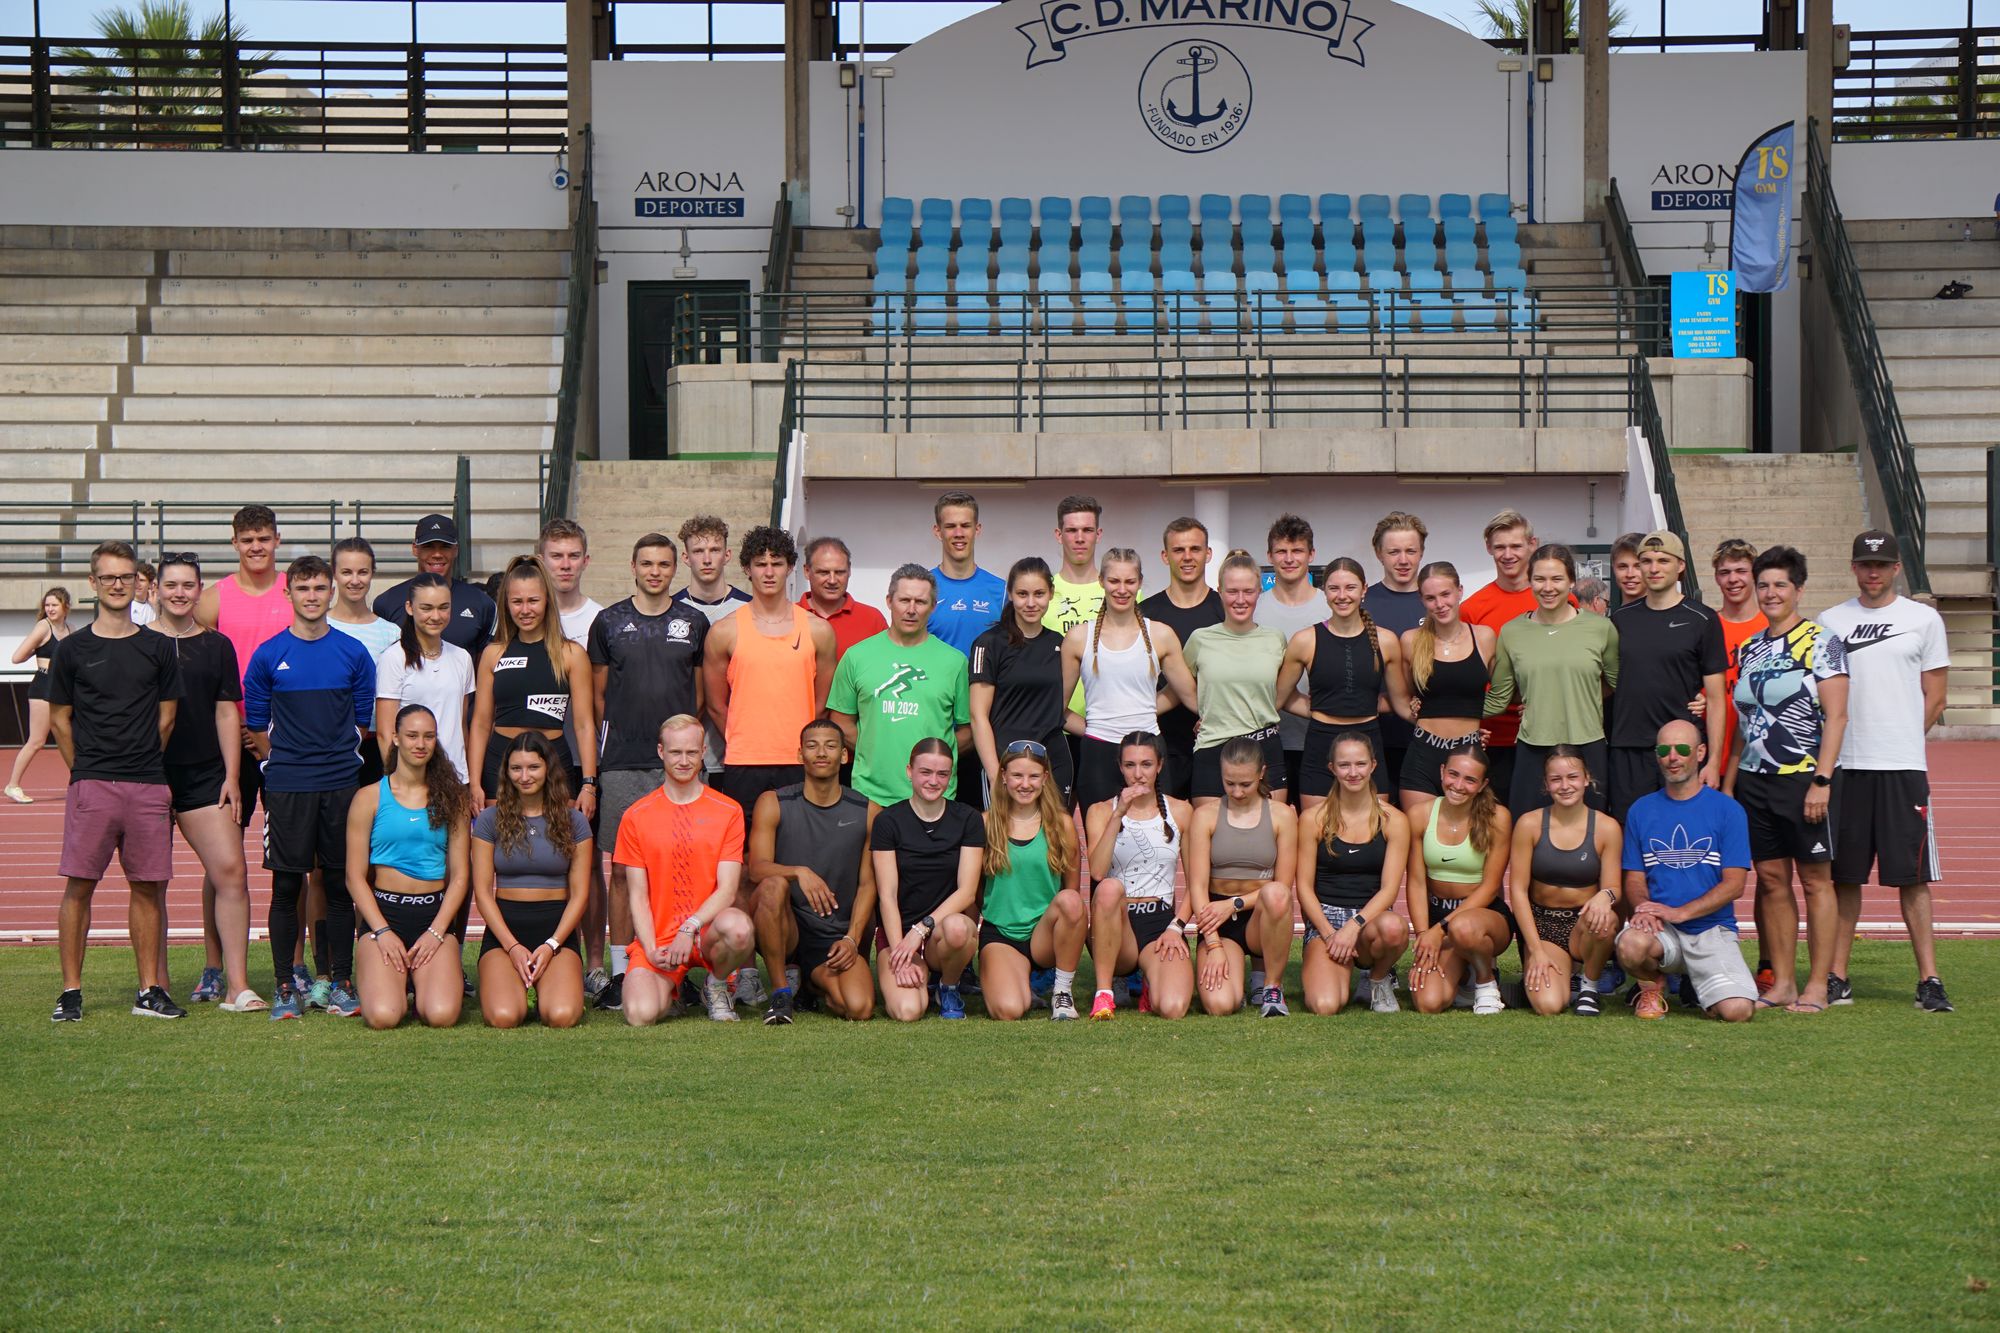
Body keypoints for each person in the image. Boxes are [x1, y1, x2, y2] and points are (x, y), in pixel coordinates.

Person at [1816, 530, 1952, 1012]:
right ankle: (1837, 976)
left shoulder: (1924, 619)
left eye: (1881, 565)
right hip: (1847, 766)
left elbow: (1936, 696)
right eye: (1864, 564)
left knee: (1912, 878)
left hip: (1902, 768)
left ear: (1896, 568)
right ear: (1854, 568)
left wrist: (1902, 739)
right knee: (1844, 877)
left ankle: (1929, 980)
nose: (1872, 572)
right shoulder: (1830, 621)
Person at [48, 541, 183, 1023]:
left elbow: (167, 718)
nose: (118, 584)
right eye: (108, 577)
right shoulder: (72, 649)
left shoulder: (158, 646)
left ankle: (149, 990)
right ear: (93, 583)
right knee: (79, 887)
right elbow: (60, 719)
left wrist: (141, 761)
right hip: (93, 784)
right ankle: (70, 992)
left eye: (126, 576)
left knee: (147, 888)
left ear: (137, 582)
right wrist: (83, 771)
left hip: (147, 784)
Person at [245, 555, 376, 1020]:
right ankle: (285, 985)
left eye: (320, 587)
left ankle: (341, 981)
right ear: (288, 593)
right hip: (287, 787)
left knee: (340, 884)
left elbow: (362, 723)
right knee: (286, 886)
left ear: (331, 592)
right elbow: (255, 726)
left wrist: (330, 757)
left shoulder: (353, 653)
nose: (312, 596)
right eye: (303, 588)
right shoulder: (267, 655)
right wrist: (283, 762)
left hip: (341, 786)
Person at [588, 533, 710, 1011]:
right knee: (622, 871)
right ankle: (623, 969)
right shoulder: (609, 622)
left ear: (675, 568)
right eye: (647, 564)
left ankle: (684, 969)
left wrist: (680, 747)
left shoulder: (693, 622)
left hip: (679, 765)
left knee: (684, 868)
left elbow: (698, 695)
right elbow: (599, 695)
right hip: (623, 762)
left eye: (663, 564)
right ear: (633, 567)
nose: (655, 572)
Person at [1727, 545, 1849, 1014]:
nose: (1771, 593)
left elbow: (1836, 717)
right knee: (1772, 880)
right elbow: (1744, 724)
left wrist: (1822, 779)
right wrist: (1730, 784)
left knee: (1816, 882)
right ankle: (1781, 983)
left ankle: (1818, 985)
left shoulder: (1821, 641)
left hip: (1803, 778)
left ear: (1798, 589)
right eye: (1763, 585)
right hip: (1755, 780)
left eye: (1780, 584)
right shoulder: (1751, 647)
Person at [149, 555, 261, 1013]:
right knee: (151, 882)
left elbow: (225, 712)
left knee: (231, 870)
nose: (179, 593)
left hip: (206, 774)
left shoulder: (217, 645)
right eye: (171, 584)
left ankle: (237, 986)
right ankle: (155, 985)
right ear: (156, 590)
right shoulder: (137, 642)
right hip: (148, 774)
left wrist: (232, 776)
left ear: (200, 591)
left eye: (188, 585)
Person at [613, 715, 757, 1025]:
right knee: (639, 1014)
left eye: (692, 752)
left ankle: (716, 984)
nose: (683, 761)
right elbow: (637, 896)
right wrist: (651, 949)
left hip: (706, 933)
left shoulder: (728, 811)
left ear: (704, 751)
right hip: (661, 939)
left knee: (740, 928)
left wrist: (689, 927)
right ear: (661, 751)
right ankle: (673, 989)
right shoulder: (636, 815)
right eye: (675, 752)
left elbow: (728, 890)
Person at [1615, 720, 1757, 1023]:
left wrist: (1681, 913)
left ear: (1700, 752)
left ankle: (1703, 985)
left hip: (1711, 930)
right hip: (1661, 929)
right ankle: (1653, 985)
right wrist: (1644, 907)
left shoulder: (1728, 810)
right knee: (1630, 946)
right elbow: (1634, 879)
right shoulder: (1641, 810)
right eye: (1663, 750)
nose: (1672, 757)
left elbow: (1734, 885)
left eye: (1681, 749)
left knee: (1737, 1012)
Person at [345, 704, 472, 1029]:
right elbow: (354, 877)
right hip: (385, 917)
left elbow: (460, 877)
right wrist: (382, 931)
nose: (420, 744)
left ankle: (420, 980)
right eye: (412, 736)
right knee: (384, 1015)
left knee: (441, 1015)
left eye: (428, 736)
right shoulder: (369, 798)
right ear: (396, 739)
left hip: (432, 916)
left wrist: (437, 932)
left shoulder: (453, 799)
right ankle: (394, 982)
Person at [747, 719, 877, 1024]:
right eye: (812, 746)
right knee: (773, 885)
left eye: (830, 746)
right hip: (786, 927)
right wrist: (799, 871)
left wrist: (852, 939)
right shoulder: (774, 802)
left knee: (859, 1008)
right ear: (799, 754)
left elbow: (868, 884)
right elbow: (756, 869)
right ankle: (781, 993)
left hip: (832, 932)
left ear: (843, 755)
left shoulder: (868, 811)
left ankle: (811, 984)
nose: (821, 753)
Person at [704, 525, 837, 819]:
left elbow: (822, 702)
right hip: (743, 760)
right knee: (745, 843)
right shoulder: (724, 631)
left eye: (776, 563)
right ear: (746, 568)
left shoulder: (818, 630)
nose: (768, 572)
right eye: (760, 564)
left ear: (789, 568)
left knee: (797, 841)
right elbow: (715, 705)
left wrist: (799, 741)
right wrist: (745, 739)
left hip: (798, 759)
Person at [1483, 543, 1618, 815]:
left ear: (1571, 581)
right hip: (1534, 747)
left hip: (1587, 744)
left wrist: (1581, 697)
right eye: (1539, 579)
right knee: (1526, 828)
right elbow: (1499, 698)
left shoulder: (1601, 628)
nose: (1548, 587)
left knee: (1591, 830)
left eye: (1557, 579)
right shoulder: (1512, 632)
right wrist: (1443, 712)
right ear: (1529, 581)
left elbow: (1616, 684)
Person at [471, 732, 592, 1029]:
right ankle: (513, 985)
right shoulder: (489, 819)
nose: (524, 777)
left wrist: (551, 944)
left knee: (561, 1016)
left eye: (533, 767)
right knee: (504, 1016)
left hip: (556, 932)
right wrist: (512, 946)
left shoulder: (574, 821)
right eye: (516, 768)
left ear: (548, 768)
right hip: (505, 932)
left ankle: (550, 987)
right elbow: (483, 892)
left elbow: (580, 895)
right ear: (506, 772)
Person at [1060, 549, 1197, 813]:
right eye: (1114, 581)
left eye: (1130, 581)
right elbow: (1058, 708)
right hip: (1098, 754)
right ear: (1101, 581)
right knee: (1101, 835)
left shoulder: (1161, 634)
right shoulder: (1078, 637)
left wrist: (1145, 710)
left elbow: (1188, 695)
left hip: (1148, 750)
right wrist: (1095, 729)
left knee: (1157, 833)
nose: (1122, 589)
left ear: (1140, 582)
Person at [1605, 532, 1727, 821]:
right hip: (1628, 748)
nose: (1654, 568)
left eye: (1663, 561)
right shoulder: (1620, 619)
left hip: (1679, 749)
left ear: (1680, 566)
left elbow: (1716, 699)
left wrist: (1713, 762)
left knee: (1683, 833)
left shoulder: (1702, 619)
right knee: (1631, 833)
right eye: (1646, 561)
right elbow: (1603, 683)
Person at [828, 565, 972, 807]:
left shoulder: (955, 662)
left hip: (934, 796)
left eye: (921, 602)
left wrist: (935, 760)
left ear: (933, 606)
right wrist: (875, 750)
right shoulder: (856, 656)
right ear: (889, 601)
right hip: (871, 794)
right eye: (904, 600)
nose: (911, 610)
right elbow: (841, 723)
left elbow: (969, 731)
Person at [1275, 556, 1410, 807]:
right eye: (1334, 588)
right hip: (1321, 743)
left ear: (1364, 590)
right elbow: (1280, 698)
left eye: (1350, 587)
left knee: (1373, 825)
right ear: (1324, 592)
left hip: (1368, 742)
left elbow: (1400, 702)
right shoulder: (1305, 640)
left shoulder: (1386, 641)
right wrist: (1320, 708)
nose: (1342, 595)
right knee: (1315, 826)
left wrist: (1445, 727)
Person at [468, 556, 597, 813]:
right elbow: (481, 724)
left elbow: (584, 725)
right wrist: (474, 782)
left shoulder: (571, 654)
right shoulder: (493, 654)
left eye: (533, 601)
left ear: (547, 600)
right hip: (501, 761)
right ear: (506, 604)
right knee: (502, 836)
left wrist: (589, 784)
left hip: (554, 760)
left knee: (559, 836)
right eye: (517, 602)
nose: (525, 610)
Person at [1295, 733, 1412, 1016]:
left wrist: (1353, 926)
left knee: (1394, 928)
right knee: (1325, 1005)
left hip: (1370, 920)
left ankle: (1378, 977)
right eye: (1344, 765)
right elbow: (1304, 887)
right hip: (1326, 920)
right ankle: (1340, 967)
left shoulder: (1394, 820)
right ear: (1332, 768)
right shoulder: (1313, 818)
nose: (1353, 772)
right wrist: (1329, 934)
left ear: (1373, 765)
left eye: (1360, 764)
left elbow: (1389, 890)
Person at [1083, 732, 1195, 1020]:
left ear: (1159, 766)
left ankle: (1150, 982)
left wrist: (1177, 927)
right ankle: (1104, 992)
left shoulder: (1181, 810)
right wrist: (1118, 813)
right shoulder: (1100, 811)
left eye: (1146, 765)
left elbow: (1197, 883)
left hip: (1159, 922)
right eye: (1130, 765)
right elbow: (1097, 871)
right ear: (1120, 767)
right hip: (1116, 923)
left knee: (1172, 1007)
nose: (1138, 774)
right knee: (1109, 888)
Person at [1186, 736, 1300, 1016]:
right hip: (1218, 919)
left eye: (1245, 784)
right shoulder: (1205, 815)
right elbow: (1197, 887)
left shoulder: (1282, 816)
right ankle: (1238, 977)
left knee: (1276, 894)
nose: (1237, 792)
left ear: (1261, 774)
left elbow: (1283, 885)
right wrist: (1213, 944)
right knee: (1220, 1005)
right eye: (1229, 783)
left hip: (1261, 915)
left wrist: (1234, 904)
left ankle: (1272, 986)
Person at [871, 738, 984, 1021]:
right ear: (909, 771)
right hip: (898, 933)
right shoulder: (887, 821)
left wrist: (921, 930)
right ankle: (919, 977)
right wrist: (901, 952)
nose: (934, 781)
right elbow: (887, 895)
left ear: (951, 776)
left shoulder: (968, 819)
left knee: (959, 927)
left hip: (941, 933)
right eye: (925, 772)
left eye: (942, 774)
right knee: (907, 1011)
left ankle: (948, 985)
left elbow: (967, 892)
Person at [195, 504, 289, 836]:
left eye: (263, 539)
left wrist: (269, 728)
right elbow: (202, 673)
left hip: (286, 735)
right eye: (247, 540)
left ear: (277, 540)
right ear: (234, 542)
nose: (256, 547)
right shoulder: (213, 599)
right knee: (226, 842)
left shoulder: (296, 592)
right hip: (232, 738)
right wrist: (234, 725)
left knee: (292, 846)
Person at [1508, 747, 1623, 1016]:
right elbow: (1518, 891)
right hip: (1544, 925)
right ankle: (1555, 978)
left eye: (1572, 777)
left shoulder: (1606, 827)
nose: (1565, 786)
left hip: (1584, 925)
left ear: (1586, 778)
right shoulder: (1529, 824)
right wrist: (1536, 950)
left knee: (1606, 918)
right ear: (1546, 784)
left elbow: (1614, 888)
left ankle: (1589, 987)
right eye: (1556, 779)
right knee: (1548, 1005)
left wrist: (1604, 896)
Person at [977, 739, 1086, 1021]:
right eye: (1017, 775)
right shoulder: (985, 824)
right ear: (1003, 776)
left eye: (1033, 776)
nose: (1025, 784)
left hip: (1044, 935)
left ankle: (1062, 992)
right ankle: (1019, 981)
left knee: (1071, 901)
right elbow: (974, 891)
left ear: (1045, 778)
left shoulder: (1061, 824)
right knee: (1009, 1009)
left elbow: (1072, 891)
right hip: (1001, 933)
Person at [1404, 740, 1514, 1016]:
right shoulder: (1419, 814)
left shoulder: (1497, 818)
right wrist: (1423, 935)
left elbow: (1491, 887)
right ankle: (1464, 978)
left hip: (1483, 917)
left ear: (1483, 784)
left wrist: (1439, 930)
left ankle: (1486, 982)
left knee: (1463, 927)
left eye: (1470, 780)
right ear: (1442, 771)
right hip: (1437, 916)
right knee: (1428, 1003)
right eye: (1453, 774)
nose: (1458, 785)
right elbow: (1416, 882)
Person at [1710, 536, 1771, 983]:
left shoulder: (1772, 625)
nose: (1733, 579)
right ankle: (1704, 958)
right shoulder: (1706, 624)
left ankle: (1769, 962)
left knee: (1770, 872)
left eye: (1741, 571)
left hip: (1762, 761)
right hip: (1713, 763)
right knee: (1708, 868)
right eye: (1725, 572)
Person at [1184, 550, 1289, 807]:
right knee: (1208, 829)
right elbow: (1181, 688)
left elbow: (1282, 694)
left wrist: (1331, 714)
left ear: (1259, 592)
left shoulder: (1275, 639)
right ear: (1219, 591)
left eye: (1248, 591)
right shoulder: (1200, 639)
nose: (1240, 600)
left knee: (1271, 829)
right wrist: (1207, 711)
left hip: (1264, 747)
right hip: (1213, 748)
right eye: (1232, 591)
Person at [970, 557, 1073, 806]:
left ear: (1051, 594)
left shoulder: (1059, 643)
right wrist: (995, 775)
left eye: (1039, 594)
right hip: (1007, 764)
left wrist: (1108, 730)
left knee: (1057, 831)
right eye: (1022, 594)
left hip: (1053, 763)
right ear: (1010, 594)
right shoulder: (988, 643)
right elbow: (978, 716)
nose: (1030, 603)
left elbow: (1057, 709)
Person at [1396, 561, 1497, 807]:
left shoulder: (1484, 637)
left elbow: (1501, 694)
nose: (1439, 604)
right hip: (1423, 753)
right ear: (1421, 600)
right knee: (1419, 828)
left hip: (1468, 756)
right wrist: (1421, 718)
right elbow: (1403, 698)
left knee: (1467, 830)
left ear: (1459, 591)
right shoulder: (1410, 640)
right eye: (1430, 598)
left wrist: (1471, 725)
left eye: (1445, 594)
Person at [1459, 509, 1542, 800]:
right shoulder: (1472, 609)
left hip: (1543, 734)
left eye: (1516, 546)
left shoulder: (1557, 600)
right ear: (1488, 548)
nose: (1508, 555)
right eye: (1500, 547)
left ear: (1532, 544)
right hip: (1490, 737)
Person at [1139, 516, 1223, 801]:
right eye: (1178, 550)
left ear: (1208, 554)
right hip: (1160, 743)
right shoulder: (1145, 614)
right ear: (1165, 556)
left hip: (1215, 741)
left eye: (1195, 549)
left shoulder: (1225, 611)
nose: (1187, 557)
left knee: (1210, 826)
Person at [674, 514, 752, 779]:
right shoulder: (670, 611)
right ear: (686, 558)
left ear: (727, 555)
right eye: (698, 551)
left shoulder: (749, 609)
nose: (707, 559)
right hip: (683, 754)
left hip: (735, 752)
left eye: (715, 550)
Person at [1255, 513, 1321, 800]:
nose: (1289, 559)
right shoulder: (1253, 609)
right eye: (1281, 551)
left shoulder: (1331, 607)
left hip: (1320, 739)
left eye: (1297, 550)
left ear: (1311, 554)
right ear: (1269, 555)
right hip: (1267, 741)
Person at [328, 538, 402, 786]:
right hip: (331, 743)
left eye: (362, 572)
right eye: (346, 572)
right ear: (334, 574)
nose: (355, 580)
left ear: (372, 574)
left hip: (376, 743)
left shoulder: (391, 633)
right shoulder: (320, 626)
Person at [370, 513, 496, 657]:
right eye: (428, 546)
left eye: (445, 546)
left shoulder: (482, 603)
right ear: (415, 549)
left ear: (456, 550)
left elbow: (486, 663)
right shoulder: (386, 603)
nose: (437, 554)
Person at [1365, 511, 1429, 785]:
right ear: (1379, 553)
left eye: (1411, 551)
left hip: (1427, 737)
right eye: (1394, 552)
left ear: (1421, 552)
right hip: (1373, 740)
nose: (1403, 560)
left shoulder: (1438, 603)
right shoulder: (1362, 605)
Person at [6, 585, 71, 804]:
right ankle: (13, 785)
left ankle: (80, 782)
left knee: (70, 737)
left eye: (54, 605)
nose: (50, 609)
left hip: (64, 688)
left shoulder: (70, 629)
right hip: (43, 686)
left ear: (65, 606)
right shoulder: (43, 627)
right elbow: (17, 657)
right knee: (36, 740)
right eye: (47, 605)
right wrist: (38, 652)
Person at [925, 490, 1007, 655]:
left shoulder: (1002, 591)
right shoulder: (923, 589)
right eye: (950, 526)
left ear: (977, 529)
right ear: (938, 531)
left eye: (965, 526)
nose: (959, 534)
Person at [798, 535, 886, 667]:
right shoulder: (788, 617)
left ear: (849, 570)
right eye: (823, 572)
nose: (832, 580)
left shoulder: (872, 619)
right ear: (807, 571)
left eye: (839, 572)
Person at [538, 517, 603, 643]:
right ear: (541, 561)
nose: (566, 565)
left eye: (574, 556)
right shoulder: (528, 616)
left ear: (585, 561)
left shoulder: (600, 618)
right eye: (557, 556)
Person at [1608, 532, 1646, 609]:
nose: (1630, 574)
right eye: (1623, 566)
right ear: (1613, 567)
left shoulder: (1668, 614)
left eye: (1638, 566)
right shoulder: (1616, 616)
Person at [129, 561, 157, 626]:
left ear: (150, 584)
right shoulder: (126, 607)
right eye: (135, 580)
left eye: (142, 580)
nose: (138, 584)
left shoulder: (153, 607)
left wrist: (155, 607)